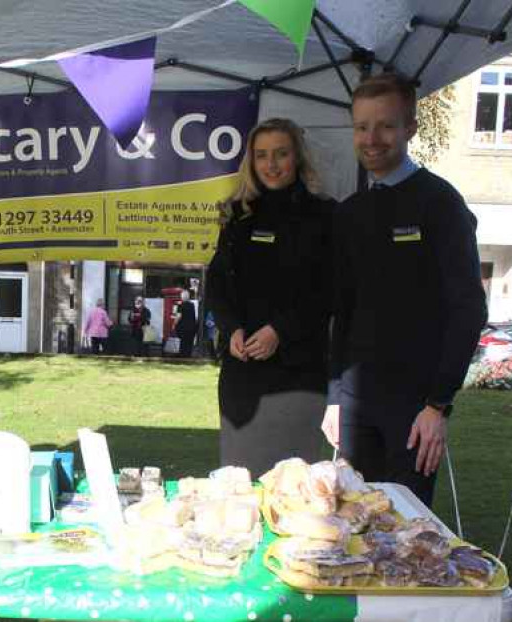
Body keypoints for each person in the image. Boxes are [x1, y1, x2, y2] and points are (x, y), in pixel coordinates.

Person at [322, 73, 487, 506]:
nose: (371, 139)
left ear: (411, 128)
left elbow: (468, 309)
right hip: (357, 406)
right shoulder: (350, 212)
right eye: (361, 127)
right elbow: (343, 309)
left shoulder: (440, 204)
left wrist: (438, 406)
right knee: (352, 523)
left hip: (415, 409)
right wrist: (335, 398)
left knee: (405, 537)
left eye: (386, 126)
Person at [206, 118, 334, 477]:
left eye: (281, 154)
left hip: (298, 374)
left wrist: (280, 330)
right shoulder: (236, 213)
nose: (271, 164)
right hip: (242, 375)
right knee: (240, 481)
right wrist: (230, 328)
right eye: (261, 155)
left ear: (297, 158)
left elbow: (328, 291)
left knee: (293, 485)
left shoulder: (324, 215)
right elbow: (217, 283)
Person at [173, 289, 198, 358]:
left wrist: (174, 324)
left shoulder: (180, 305)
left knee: (183, 342)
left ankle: (182, 356)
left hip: (183, 327)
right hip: (192, 327)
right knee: (189, 343)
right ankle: (188, 356)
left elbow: (178, 316)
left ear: (182, 297)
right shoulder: (192, 305)